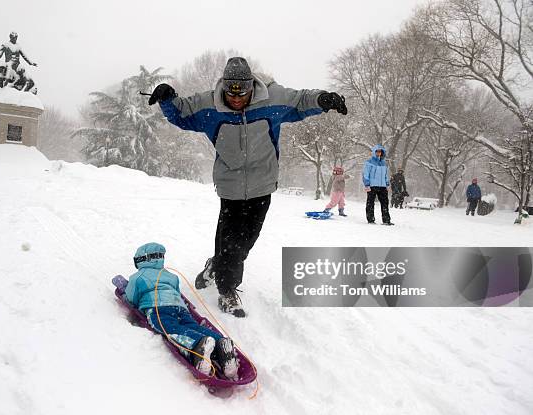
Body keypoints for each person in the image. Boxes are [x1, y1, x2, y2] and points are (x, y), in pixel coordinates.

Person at [148, 57, 348, 317]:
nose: (237, 100)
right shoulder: (210, 106)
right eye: (232, 95)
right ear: (225, 88)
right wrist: (167, 97)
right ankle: (227, 289)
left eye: (242, 94)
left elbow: (300, 100)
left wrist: (324, 99)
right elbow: (182, 112)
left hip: (262, 185)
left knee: (245, 241)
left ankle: (216, 266)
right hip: (230, 188)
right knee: (231, 242)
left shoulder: (271, 99)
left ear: (251, 86)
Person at [124, 242, 238, 380]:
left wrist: (129, 299)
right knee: (192, 325)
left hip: (158, 308)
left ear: (140, 260)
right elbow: (177, 294)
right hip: (180, 308)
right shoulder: (171, 276)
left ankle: (198, 345)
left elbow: (132, 298)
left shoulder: (137, 277)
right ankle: (221, 342)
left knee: (171, 328)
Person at [362, 145, 393, 225]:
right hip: (372, 185)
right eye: (377, 151)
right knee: (370, 202)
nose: (379, 153)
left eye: (380, 151)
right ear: (374, 152)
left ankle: (386, 220)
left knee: (385, 202)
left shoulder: (384, 163)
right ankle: (370, 219)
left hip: (382, 186)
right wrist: (367, 184)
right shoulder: (369, 162)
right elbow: (365, 174)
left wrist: (387, 184)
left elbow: (386, 175)